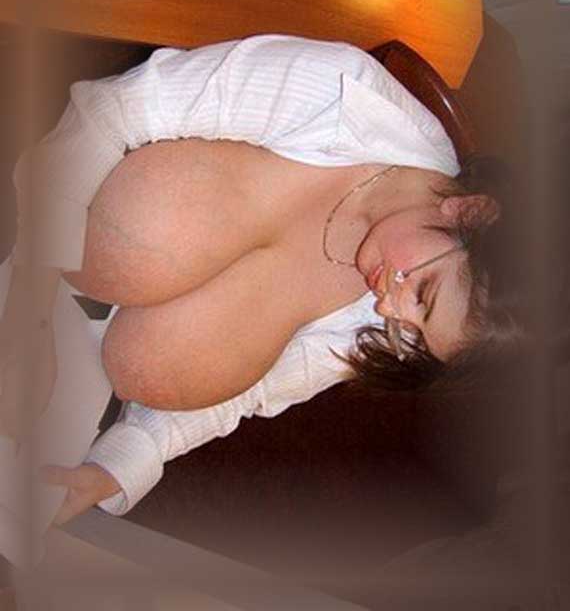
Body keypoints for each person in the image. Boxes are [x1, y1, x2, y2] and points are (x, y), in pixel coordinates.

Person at [0, 35, 521, 523]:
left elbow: (248, 390)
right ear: (469, 212)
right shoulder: (342, 95)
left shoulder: (392, 324)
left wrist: (111, 469)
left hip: (70, 379)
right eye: (423, 293)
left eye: (416, 335)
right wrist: (29, 318)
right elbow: (110, 111)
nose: (390, 310)